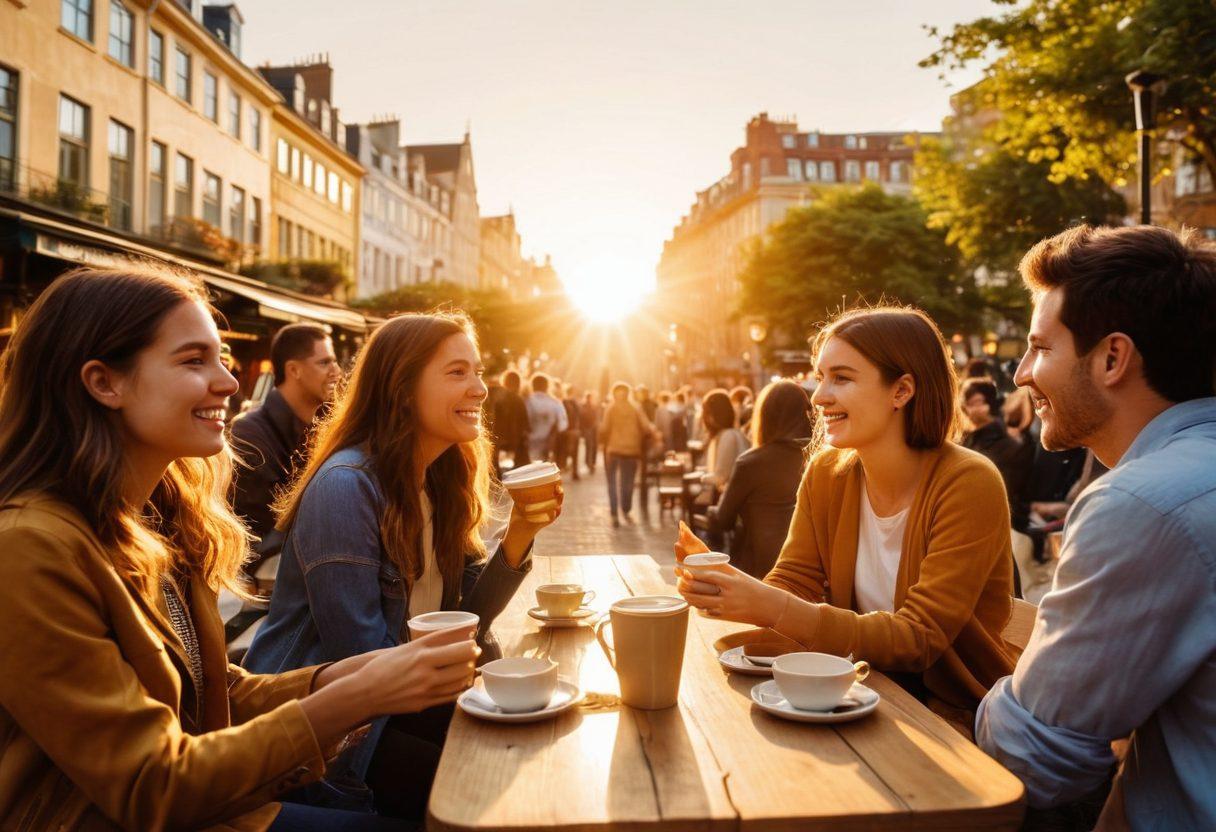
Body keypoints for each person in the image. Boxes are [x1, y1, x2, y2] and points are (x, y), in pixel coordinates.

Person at [0, 267, 479, 832]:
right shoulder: (29, 548)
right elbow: (150, 786)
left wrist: (342, 678)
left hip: (225, 797)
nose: (229, 382)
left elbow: (211, 689)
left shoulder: (160, 519)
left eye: (222, 357)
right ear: (106, 383)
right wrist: (352, 697)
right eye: (193, 360)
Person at [244, 312, 561, 821]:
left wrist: (520, 532)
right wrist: (479, 692)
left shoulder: (439, 479)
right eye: (457, 372)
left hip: (402, 704)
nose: (480, 388)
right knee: (492, 788)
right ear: (402, 386)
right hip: (336, 741)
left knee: (535, 746)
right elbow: (365, 660)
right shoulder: (347, 487)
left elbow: (465, 618)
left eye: (478, 372)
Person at [976, 225, 1216, 831]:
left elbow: (1030, 758)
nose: (1022, 374)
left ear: (1113, 357)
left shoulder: (1142, 501)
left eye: (1040, 348)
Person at [676, 306, 1017, 725]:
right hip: (858, 692)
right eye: (821, 377)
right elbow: (793, 582)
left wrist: (768, 606)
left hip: (952, 715)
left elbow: (919, 638)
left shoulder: (968, 482)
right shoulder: (826, 473)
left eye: (842, 377)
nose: (818, 396)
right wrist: (730, 594)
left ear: (901, 391)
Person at [229, 322, 341, 557]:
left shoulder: (330, 427)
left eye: (334, 361)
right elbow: (257, 534)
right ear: (294, 370)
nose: (336, 371)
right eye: (324, 362)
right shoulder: (249, 434)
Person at [707, 380, 812, 577]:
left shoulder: (750, 463)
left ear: (764, 416)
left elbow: (722, 520)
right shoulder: (821, 458)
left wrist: (712, 507)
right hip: (809, 571)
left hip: (758, 571)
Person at [960, 376, 1034, 531]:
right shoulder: (966, 440)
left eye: (977, 402)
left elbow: (1007, 494)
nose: (971, 409)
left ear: (989, 405)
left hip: (999, 525)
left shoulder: (1009, 445)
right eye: (968, 403)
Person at [598, 382, 657, 527]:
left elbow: (604, 428)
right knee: (628, 482)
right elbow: (646, 427)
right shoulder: (636, 408)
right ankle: (625, 509)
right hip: (632, 450)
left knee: (612, 482)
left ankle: (614, 513)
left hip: (613, 450)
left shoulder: (610, 408)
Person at [697, 389, 750, 504]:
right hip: (736, 498)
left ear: (712, 415)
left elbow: (720, 477)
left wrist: (700, 478)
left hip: (734, 502)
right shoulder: (733, 433)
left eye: (705, 412)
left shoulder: (727, 436)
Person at [491, 369, 530, 474]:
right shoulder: (519, 400)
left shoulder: (498, 399)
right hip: (515, 444)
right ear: (518, 383)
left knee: (500, 474)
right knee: (514, 475)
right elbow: (525, 424)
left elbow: (494, 421)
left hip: (499, 442)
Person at [524, 373, 568, 462]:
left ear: (532, 385)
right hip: (548, 447)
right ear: (548, 386)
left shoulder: (526, 402)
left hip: (529, 446)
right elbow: (563, 425)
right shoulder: (556, 403)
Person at [579, 391, 600, 473]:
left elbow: (597, 417)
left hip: (593, 429)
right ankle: (590, 463)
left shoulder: (593, 406)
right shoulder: (584, 407)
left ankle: (590, 463)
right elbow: (581, 419)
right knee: (590, 446)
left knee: (592, 446)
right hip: (588, 429)